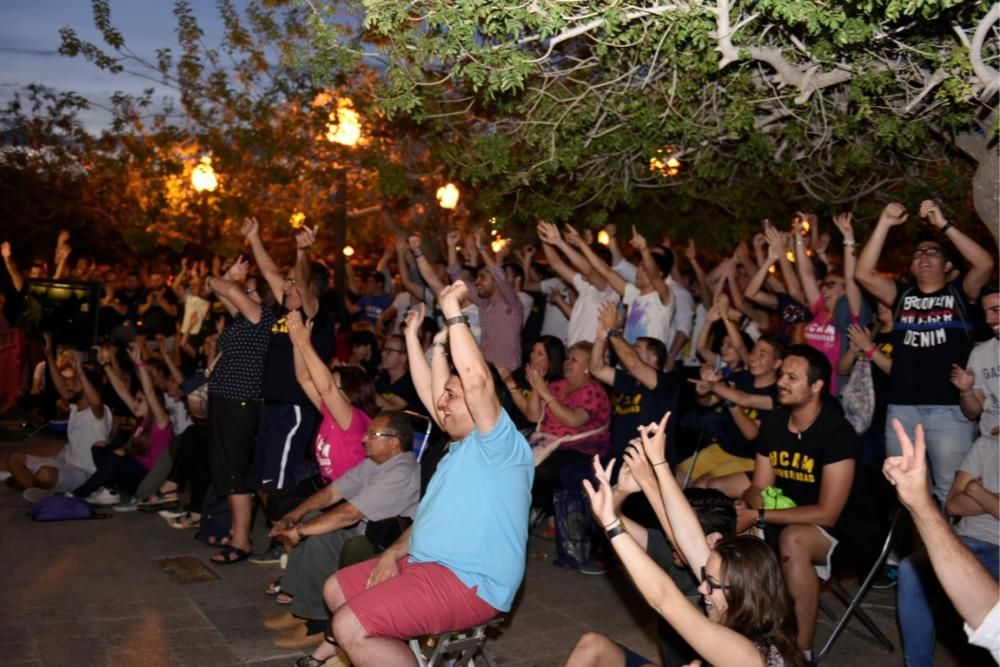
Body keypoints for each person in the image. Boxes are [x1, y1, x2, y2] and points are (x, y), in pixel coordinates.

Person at [304, 285, 534, 667]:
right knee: (336, 589)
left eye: (452, 397)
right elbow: (435, 389)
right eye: (444, 396)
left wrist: (453, 313)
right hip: (426, 564)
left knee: (349, 626)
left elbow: (475, 381)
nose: (441, 403)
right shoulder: (459, 447)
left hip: (469, 581)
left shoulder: (501, 446)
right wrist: (418, 340)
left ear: (485, 405)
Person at [577, 413, 804, 667]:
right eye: (706, 579)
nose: (701, 588)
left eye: (712, 585)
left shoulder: (746, 655)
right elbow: (688, 538)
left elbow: (664, 598)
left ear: (744, 595)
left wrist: (611, 524)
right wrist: (658, 465)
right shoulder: (755, 616)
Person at [738, 344, 878, 658]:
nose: (781, 382)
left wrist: (759, 515)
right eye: (781, 375)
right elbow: (758, 485)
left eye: (792, 377)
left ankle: (801, 654)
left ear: (816, 387)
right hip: (790, 515)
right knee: (735, 520)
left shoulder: (837, 434)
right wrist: (749, 507)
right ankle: (747, 635)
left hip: (848, 530)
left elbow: (828, 514)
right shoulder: (774, 424)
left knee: (794, 538)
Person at [855, 200, 994, 501]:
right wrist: (884, 222)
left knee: (949, 491)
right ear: (911, 266)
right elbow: (863, 273)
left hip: (949, 411)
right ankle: (914, 549)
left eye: (933, 252)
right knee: (905, 491)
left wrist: (943, 224)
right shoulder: (901, 297)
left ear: (947, 266)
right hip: (902, 408)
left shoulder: (961, 296)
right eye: (918, 253)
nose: (924, 256)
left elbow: (984, 263)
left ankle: (950, 548)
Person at [262, 411, 420, 650]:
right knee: (314, 518)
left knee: (319, 539)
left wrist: (301, 532)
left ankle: (317, 621)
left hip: (385, 543)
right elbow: (331, 493)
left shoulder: (402, 471)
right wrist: (295, 516)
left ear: (394, 442)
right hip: (367, 530)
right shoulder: (374, 464)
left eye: (372, 434)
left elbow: (350, 514)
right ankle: (299, 607)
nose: (364, 439)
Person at [884, 420, 1000, 663]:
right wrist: (993, 501)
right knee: (911, 568)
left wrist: (976, 491)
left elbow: (966, 495)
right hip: (970, 542)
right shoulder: (986, 445)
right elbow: (954, 504)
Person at [241, 219, 334, 515]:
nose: (286, 285)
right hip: (271, 407)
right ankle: (284, 532)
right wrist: (254, 238)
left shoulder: (314, 315)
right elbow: (269, 272)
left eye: (292, 281)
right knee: (259, 479)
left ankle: (288, 547)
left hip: (294, 409)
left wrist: (301, 252)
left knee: (280, 483)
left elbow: (305, 288)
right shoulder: (285, 311)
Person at [204, 260, 277, 564]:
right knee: (229, 470)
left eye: (250, 290)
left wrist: (227, 279)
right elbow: (222, 291)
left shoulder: (262, 316)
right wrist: (228, 281)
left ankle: (241, 541)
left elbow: (221, 287)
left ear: (261, 297)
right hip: (227, 400)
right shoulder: (245, 318)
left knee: (236, 474)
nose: (242, 294)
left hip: (241, 403)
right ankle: (237, 531)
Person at [5, 334, 111, 499]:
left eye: (74, 382)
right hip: (65, 462)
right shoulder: (75, 406)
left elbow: (95, 401)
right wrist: (48, 355)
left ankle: (35, 484)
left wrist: (80, 372)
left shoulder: (100, 412)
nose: (69, 385)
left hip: (84, 473)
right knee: (14, 459)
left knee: (45, 475)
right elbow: (59, 384)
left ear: (87, 387)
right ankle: (36, 488)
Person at [679, 334, 784, 497]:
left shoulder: (777, 394)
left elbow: (751, 433)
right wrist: (703, 392)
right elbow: (707, 402)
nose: (754, 357)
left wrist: (730, 400)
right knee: (677, 476)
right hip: (721, 448)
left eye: (762, 354)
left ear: (777, 363)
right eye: (754, 351)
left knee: (700, 487)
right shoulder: (741, 377)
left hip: (748, 458)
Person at [446, 232, 524, 370]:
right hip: (488, 372)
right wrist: (451, 246)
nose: (476, 282)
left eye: (482, 277)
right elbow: (457, 277)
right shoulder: (483, 304)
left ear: (494, 280)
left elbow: (499, 276)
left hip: (510, 374)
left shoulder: (511, 303)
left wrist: (481, 248)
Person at [536, 221, 620, 345]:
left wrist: (559, 242)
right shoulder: (586, 285)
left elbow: (590, 270)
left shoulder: (609, 288)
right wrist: (544, 238)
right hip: (574, 351)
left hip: (591, 354)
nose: (580, 264)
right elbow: (556, 263)